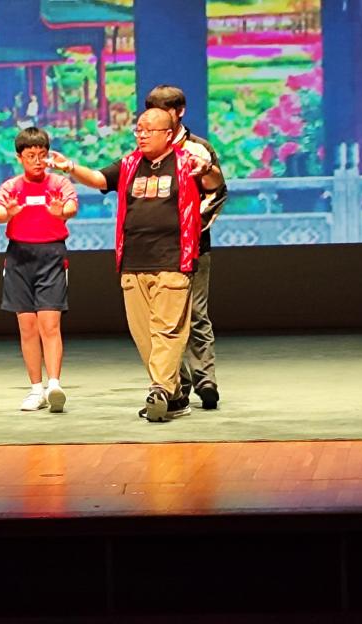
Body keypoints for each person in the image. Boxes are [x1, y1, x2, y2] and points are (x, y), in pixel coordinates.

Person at [47, 108, 220, 421]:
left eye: (148, 130)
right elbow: (99, 179)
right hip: (133, 262)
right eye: (138, 130)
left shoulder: (187, 162)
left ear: (168, 134)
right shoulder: (129, 164)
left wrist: (207, 168)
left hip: (173, 260)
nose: (141, 135)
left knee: (167, 331)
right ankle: (175, 396)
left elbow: (214, 184)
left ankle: (160, 390)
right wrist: (70, 167)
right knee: (144, 335)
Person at [146, 84, 228, 410]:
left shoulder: (199, 149)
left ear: (179, 112)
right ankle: (175, 383)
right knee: (164, 318)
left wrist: (189, 227)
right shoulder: (147, 150)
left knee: (195, 312)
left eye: (164, 111)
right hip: (155, 249)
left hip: (193, 245)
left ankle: (205, 379)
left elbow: (217, 193)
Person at [0, 127, 78, 412]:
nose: (38, 161)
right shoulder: (11, 186)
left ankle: (54, 385)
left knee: (49, 324)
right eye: (31, 155)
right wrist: (9, 213)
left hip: (51, 257)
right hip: (19, 257)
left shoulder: (59, 183)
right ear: (20, 157)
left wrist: (61, 212)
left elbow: (71, 206)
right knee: (27, 327)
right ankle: (36, 390)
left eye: (42, 155)